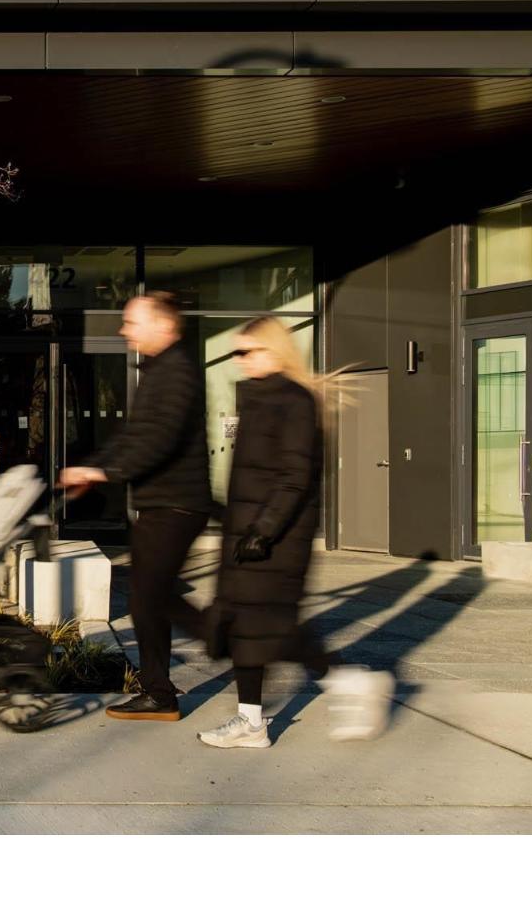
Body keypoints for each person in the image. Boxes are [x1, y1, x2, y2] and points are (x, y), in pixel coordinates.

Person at [197, 316, 395, 750]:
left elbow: (295, 475)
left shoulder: (294, 401)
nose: (240, 360)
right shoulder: (260, 399)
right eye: (236, 353)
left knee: (274, 628)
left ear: (273, 351)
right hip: (249, 534)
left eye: (247, 351)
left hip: (277, 539)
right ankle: (251, 721)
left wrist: (264, 531)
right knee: (243, 629)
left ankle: (349, 680)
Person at [59, 291, 214, 721]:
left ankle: (223, 643)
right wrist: (92, 467)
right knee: (149, 598)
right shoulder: (160, 370)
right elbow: (133, 436)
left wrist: (103, 472)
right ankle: (159, 692)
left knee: (150, 596)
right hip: (162, 504)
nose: (124, 331)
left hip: (176, 504)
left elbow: (159, 440)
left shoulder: (177, 372)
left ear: (162, 325)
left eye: (132, 323)